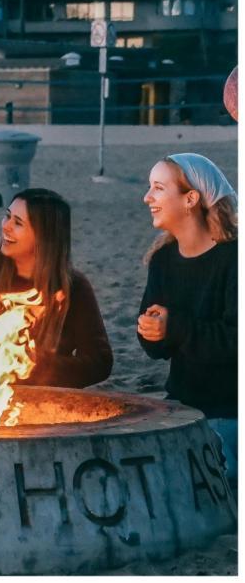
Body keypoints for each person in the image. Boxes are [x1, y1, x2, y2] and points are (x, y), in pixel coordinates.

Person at [0, 188, 112, 388]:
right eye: (7, 216)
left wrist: (37, 366)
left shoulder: (73, 287)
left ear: (44, 236)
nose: (6, 226)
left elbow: (100, 361)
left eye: (18, 223)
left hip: (42, 397)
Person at [137, 153, 237, 482]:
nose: (147, 197)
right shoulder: (163, 259)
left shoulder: (234, 259)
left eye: (158, 188)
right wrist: (152, 331)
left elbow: (235, 342)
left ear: (190, 199)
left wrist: (175, 327)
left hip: (230, 410)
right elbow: (155, 349)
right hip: (181, 406)